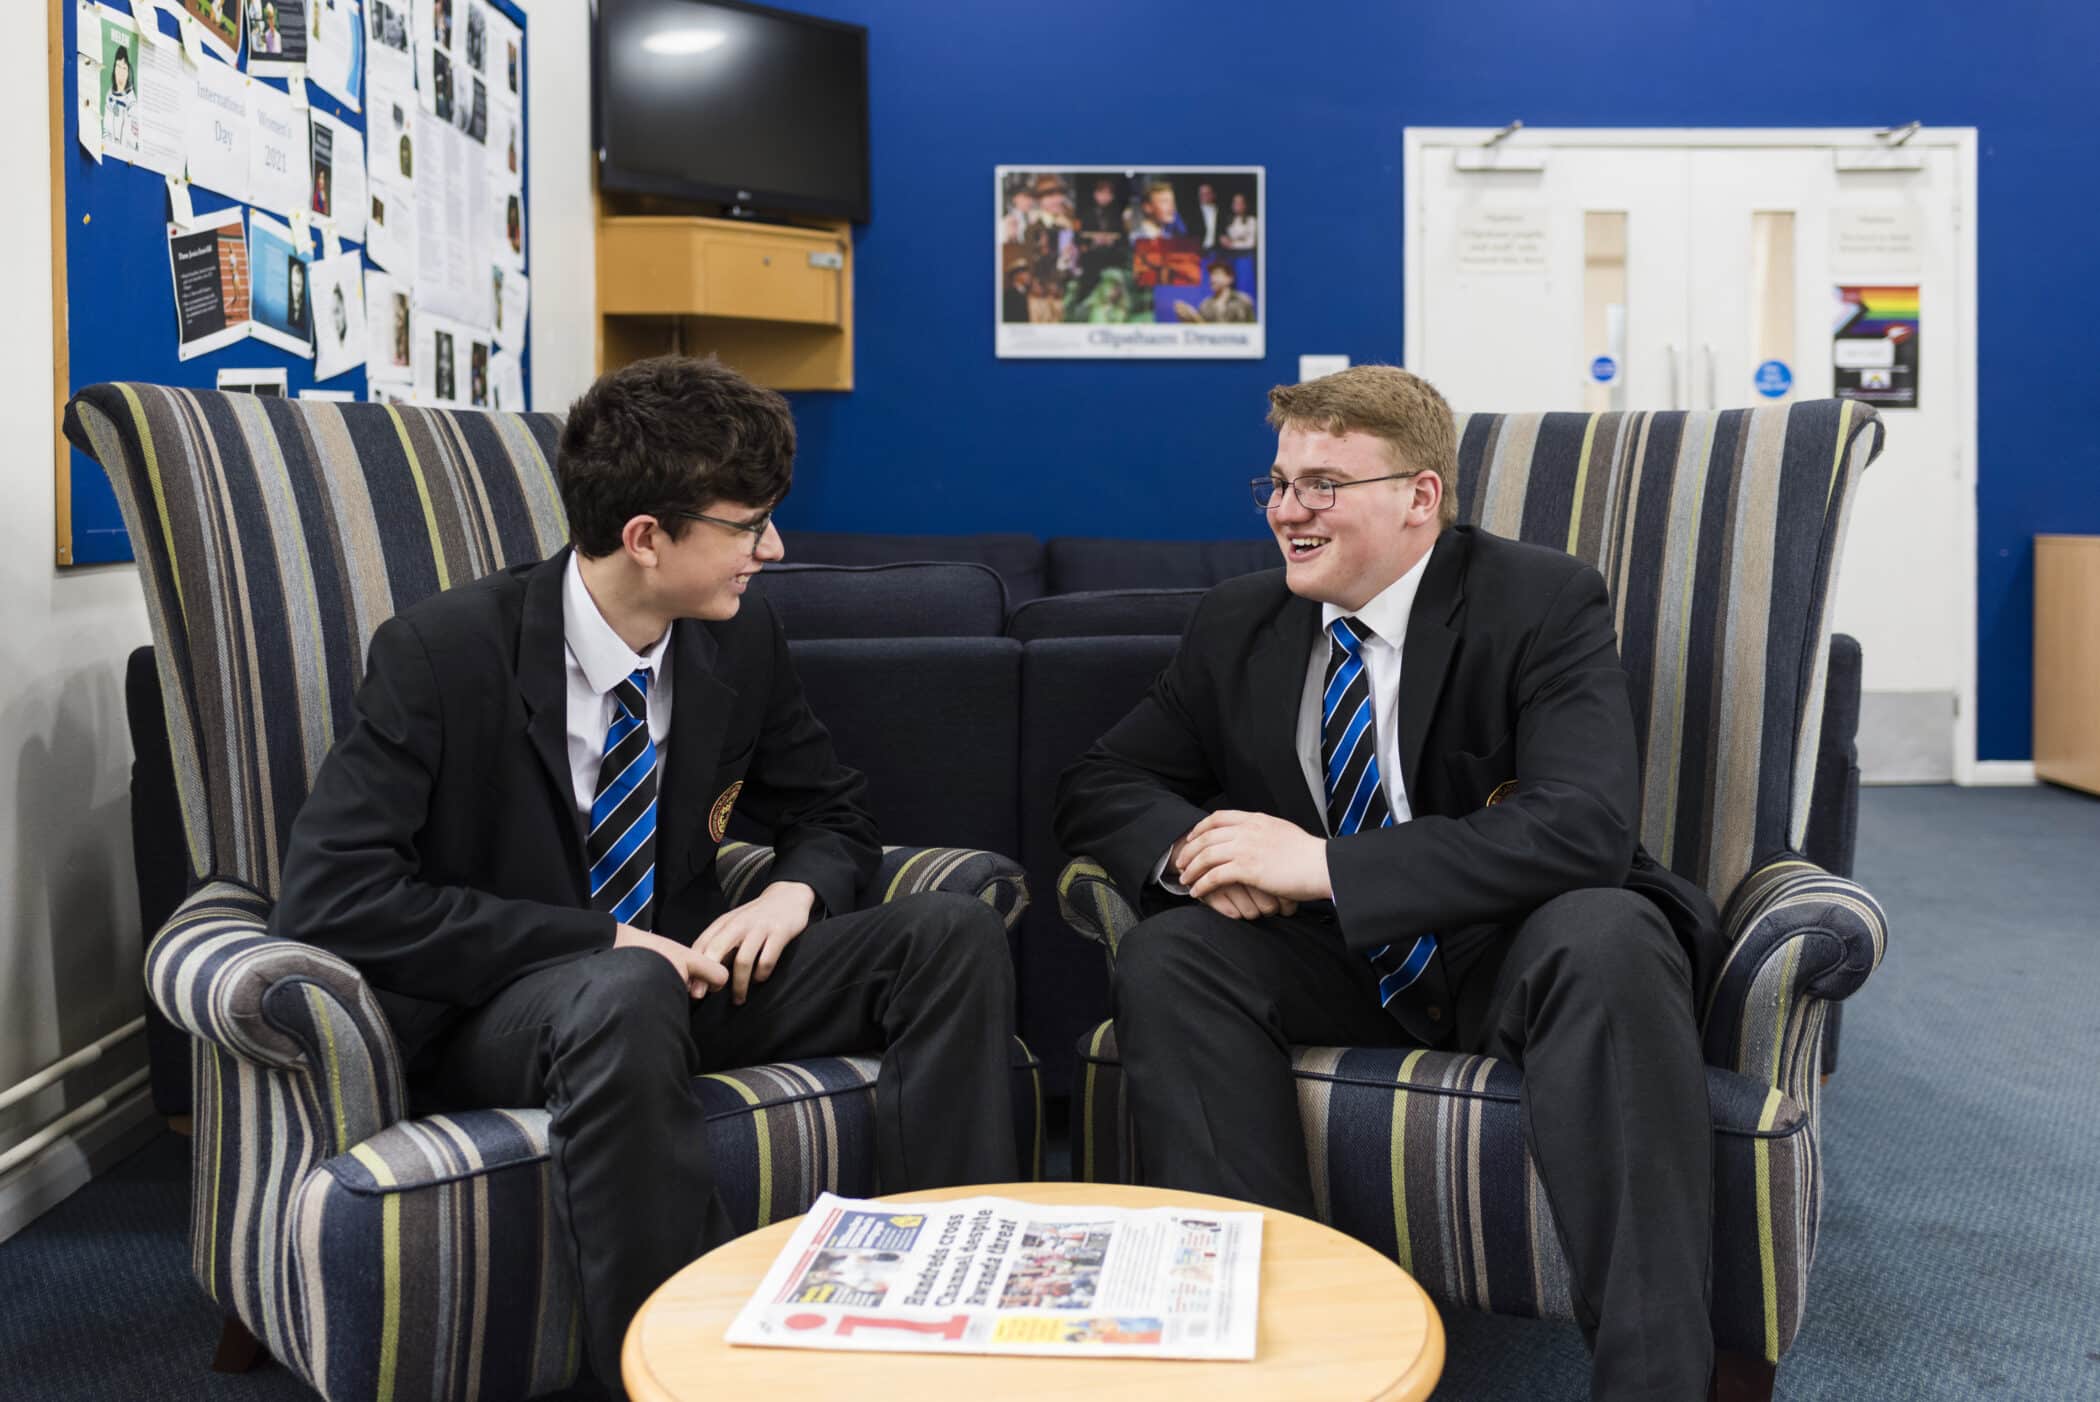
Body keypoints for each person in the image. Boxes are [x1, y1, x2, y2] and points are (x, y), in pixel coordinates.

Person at [272, 355, 1019, 1396]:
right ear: (647, 537)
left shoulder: (737, 635)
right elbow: (334, 893)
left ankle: (948, 1304)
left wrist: (788, 893)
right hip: (517, 1009)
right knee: (628, 985)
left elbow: (830, 812)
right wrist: (599, 943)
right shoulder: (443, 654)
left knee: (949, 933)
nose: (775, 548)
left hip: (696, 978)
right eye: (749, 523)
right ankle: (677, 1367)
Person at [1054, 365, 1721, 1401]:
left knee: (1611, 934)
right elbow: (1106, 777)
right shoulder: (1239, 622)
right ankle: (1282, 1366)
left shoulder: (1540, 599)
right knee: (1173, 950)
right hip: (1336, 960)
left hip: (1513, 943)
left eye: (1321, 484)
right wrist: (1208, 852)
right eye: (1277, 483)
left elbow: (1583, 825)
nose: (1286, 510)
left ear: (1421, 496)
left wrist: (1321, 863)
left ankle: (1655, 1381)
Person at [1173, 261, 1255, 323]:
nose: (1212, 279)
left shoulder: (1243, 301)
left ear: (1229, 279)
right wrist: (1191, 318)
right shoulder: (1205, 305)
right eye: (1211, 275)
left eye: (1217, 274)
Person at [102, 45, 137, 152]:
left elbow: (132, 139)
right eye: (118, 66)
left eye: (124, 68)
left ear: (128, 72)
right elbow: (106, 130)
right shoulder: (109, 97)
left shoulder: (132, 103)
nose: (120, 72)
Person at [1192, 182, 1221, 250]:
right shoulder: (1192, 214)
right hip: (1198, 250)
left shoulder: (1222, 213)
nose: (1204, 196)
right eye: (1202, 194)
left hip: (1218, 250)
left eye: (1207, 193)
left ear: (1214, 195)